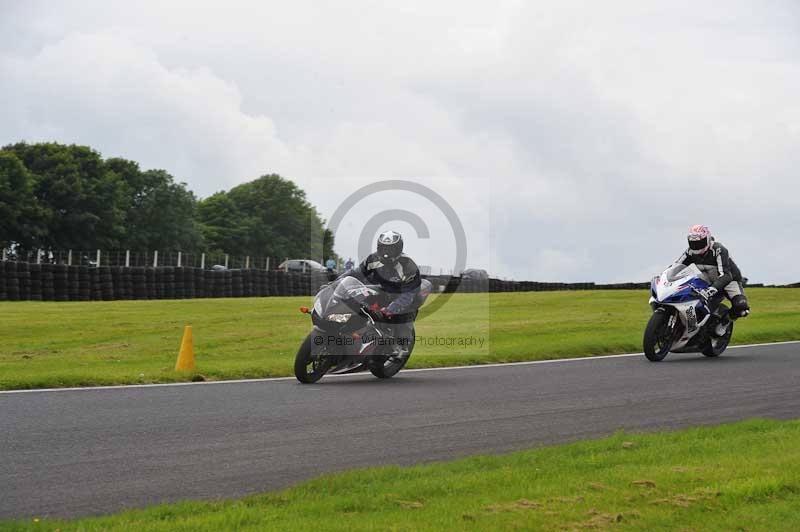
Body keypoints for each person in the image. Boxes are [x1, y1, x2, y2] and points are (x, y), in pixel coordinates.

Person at [674, 224, 750, 335]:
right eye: (693, 243)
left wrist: (712, 289)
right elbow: (676, 266)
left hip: (729, 280)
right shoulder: (690, 251)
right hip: (705, 280)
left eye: (700, 242)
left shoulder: (719, 249)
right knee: (685, 295)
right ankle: (688, 324)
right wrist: (663, 278)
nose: (696, 246)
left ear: (708, 239)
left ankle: (726, 321)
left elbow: (726, 275)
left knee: (741, 306)